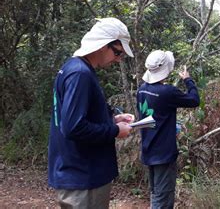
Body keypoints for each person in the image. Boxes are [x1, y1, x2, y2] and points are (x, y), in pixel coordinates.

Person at [48, 17, 135, 208]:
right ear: (103, 45)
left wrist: (112, 119)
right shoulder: (80, 74)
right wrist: (115, 131)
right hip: (83, 175)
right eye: (118, 52)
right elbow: (73, 127)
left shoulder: (72, 68)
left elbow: (76, 115)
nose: (118, 59)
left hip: (78, 170)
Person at [137, 50, 200, 209]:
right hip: (163, 154)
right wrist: (188, 80)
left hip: (148, 150)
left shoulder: (142, 90)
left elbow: (151, 119)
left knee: (156, 194)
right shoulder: (168, 92)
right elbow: (194, 100)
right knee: (163, 199)